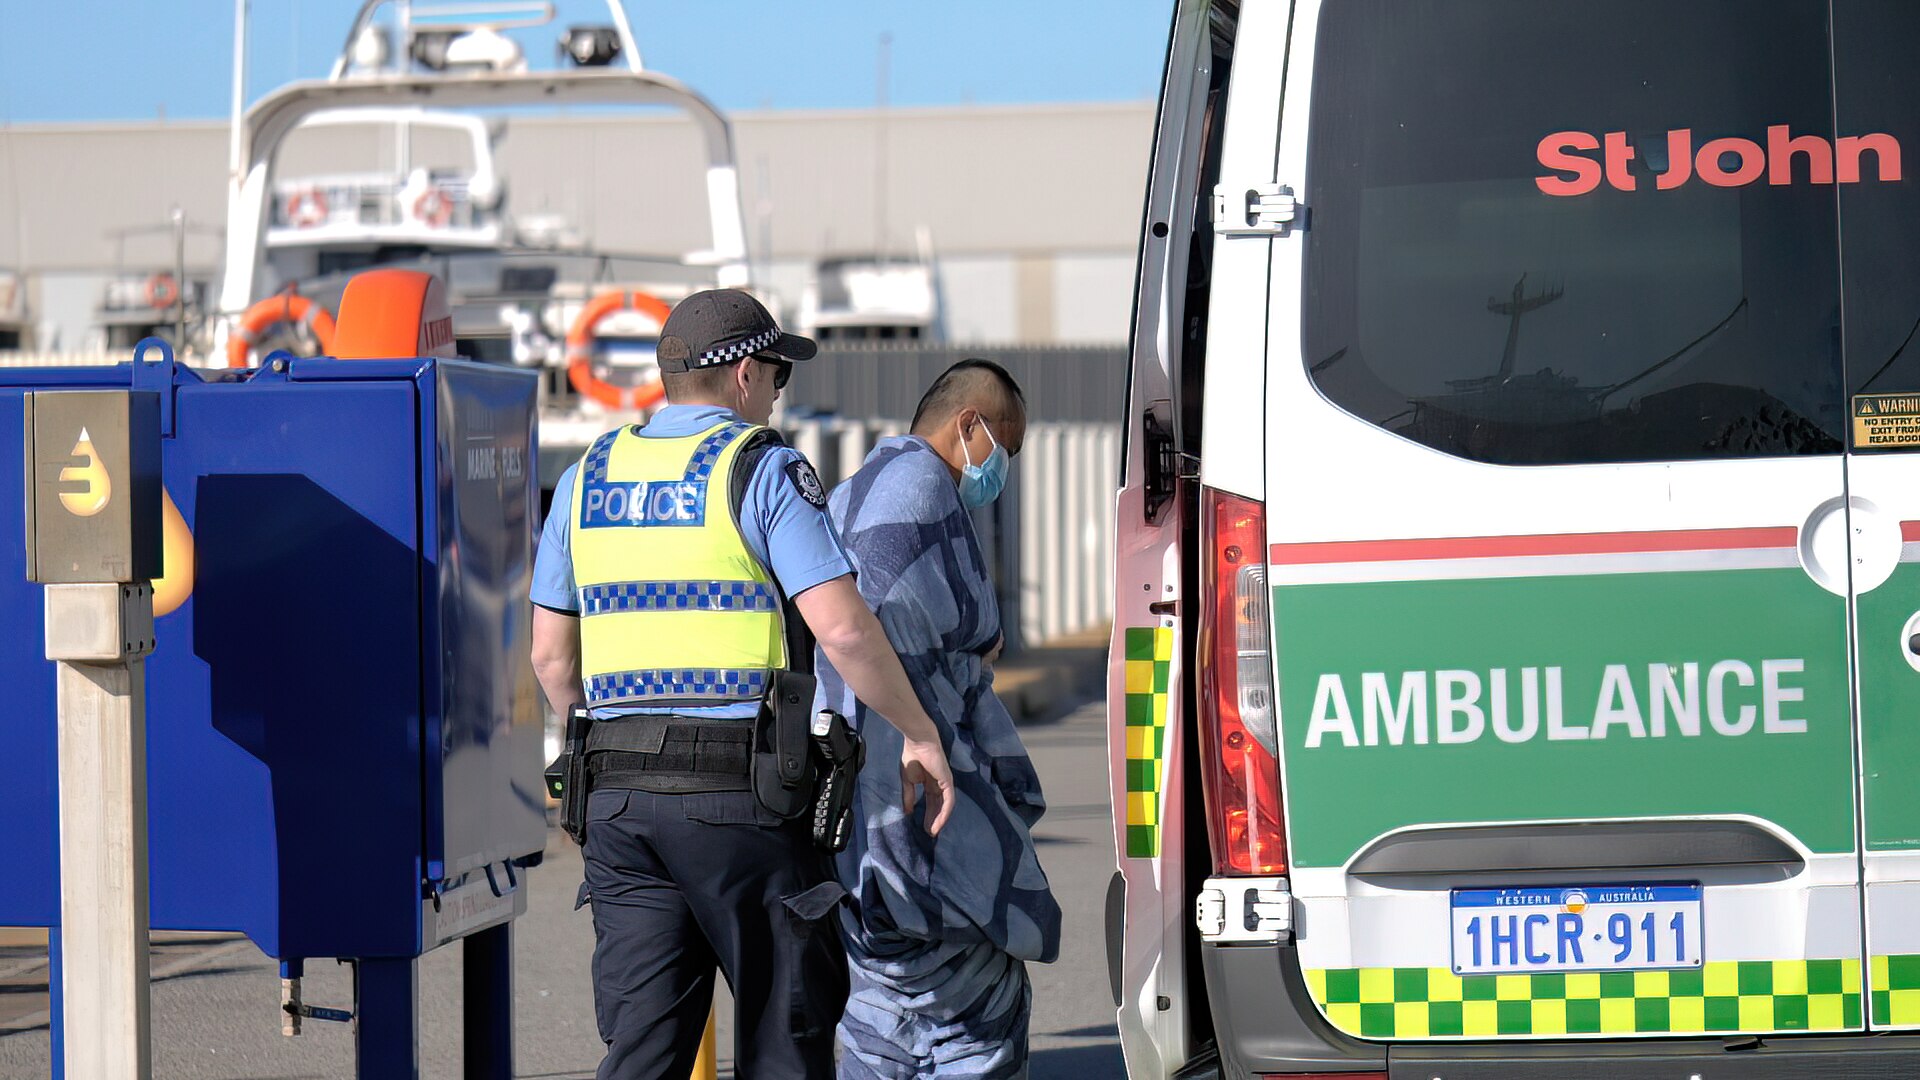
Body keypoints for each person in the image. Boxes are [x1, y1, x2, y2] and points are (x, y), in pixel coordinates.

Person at [528, 288, 956, 1080]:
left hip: (618, 802)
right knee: (780, 1044)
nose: (774, 395)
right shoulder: (761, 468)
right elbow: (844, 629)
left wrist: (601, 747)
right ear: (746, 376)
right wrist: (921, 733)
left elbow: (552, 658)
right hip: (742, 800)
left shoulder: (587, 475)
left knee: (643, 1050)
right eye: (776, 377)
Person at [815, 359, 1062, 1080]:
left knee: (880, 1009)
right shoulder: (922, 497)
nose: (999, 469)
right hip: (919, 788)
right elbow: (935, 640)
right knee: (970, 1014)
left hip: (849, 806)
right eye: (1002, 449)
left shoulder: (852, 491)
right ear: (969, 425)